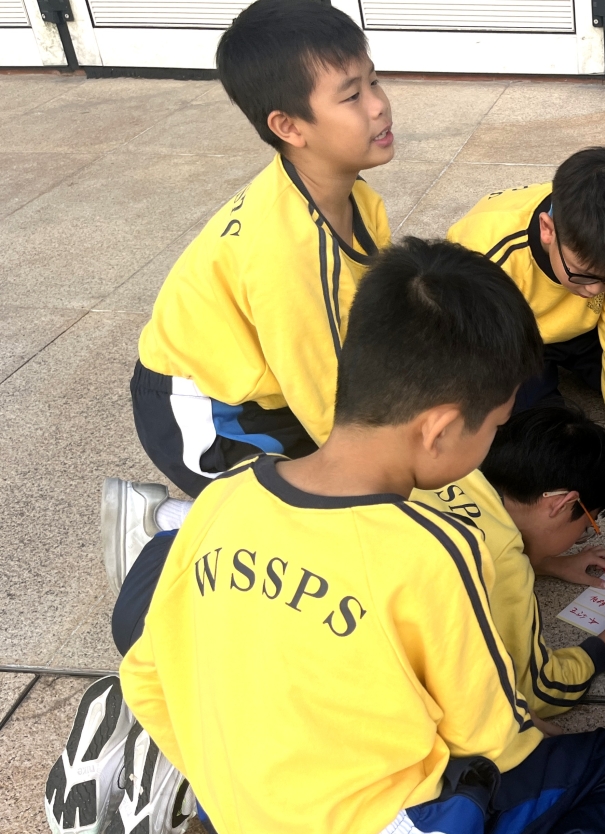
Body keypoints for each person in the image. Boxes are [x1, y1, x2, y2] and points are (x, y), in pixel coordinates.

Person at [48, 240, 605, 834]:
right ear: (440, 429)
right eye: (494, 427)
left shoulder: (223, 498)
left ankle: (177, 786)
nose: (490, 449)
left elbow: (147, 675)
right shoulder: (435, 551)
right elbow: (493, 739)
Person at [103, 0, 394, 593]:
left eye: (374, 80)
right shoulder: (286, 250)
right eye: (351, 96)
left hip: (267, 388)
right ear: (288, 127)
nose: (379, 105)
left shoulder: (359, 201)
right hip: (202, 412)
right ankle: (163, 528)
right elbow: (325, 405)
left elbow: (368, 330)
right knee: (327, 529)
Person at [447, 146, 605, 457]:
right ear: (547, 230)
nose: (595, 290)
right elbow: (472, 350)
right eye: (583, 274)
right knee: (539, 432)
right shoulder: (487, 254)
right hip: (513, 341)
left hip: (587, 331)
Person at [417, 406, 605, 718]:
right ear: (562, 504)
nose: (580, 537)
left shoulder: (444, 474)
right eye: (586, 526)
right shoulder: (505, 567)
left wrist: (547, 563)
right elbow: (539, 692)